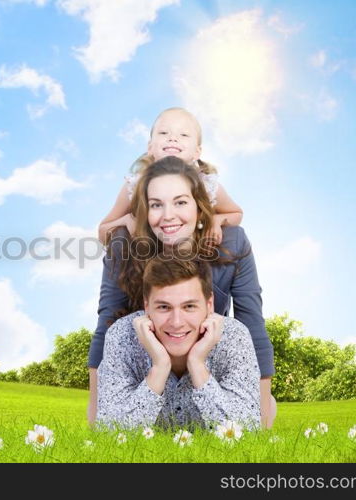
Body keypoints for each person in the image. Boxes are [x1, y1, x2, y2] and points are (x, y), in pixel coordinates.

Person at [87, 156, 276, 427]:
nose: (168, 216)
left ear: (200, 208)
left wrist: (262, 415)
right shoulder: (124, 248)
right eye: (156, 205)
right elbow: (106, 326)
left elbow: (253, 324)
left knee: (259, 407)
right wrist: (97, 413)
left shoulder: (231, 243)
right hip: (143, 363)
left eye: (180, 202)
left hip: (207, 359)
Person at [96, 255, 261, 430]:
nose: (176, 322)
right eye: (163, 307)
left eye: (189, 306)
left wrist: (197, 365)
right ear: (147, 306)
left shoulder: (234, 336)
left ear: (209, 304)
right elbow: (109, 431)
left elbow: (248, 430)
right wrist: (159, 367)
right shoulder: (122, 336)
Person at [98, 107, 243, 246]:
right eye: (163, 133)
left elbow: (236, 213)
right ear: (150, 147)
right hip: (148, 260)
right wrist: (125, 220)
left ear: (197, 152)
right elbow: (103, 232)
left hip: (194, 258)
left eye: (184, 135)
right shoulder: (135, 185)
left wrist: (216, 220)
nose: (173, 138)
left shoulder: (207, 185)